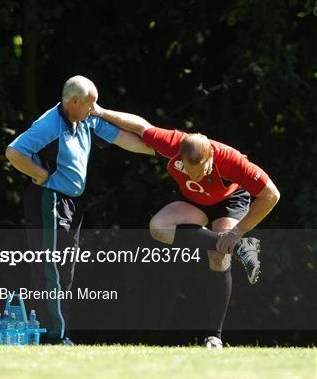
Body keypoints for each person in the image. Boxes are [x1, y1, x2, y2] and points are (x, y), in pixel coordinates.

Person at [91, 104, 280, 349]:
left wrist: (237, 232)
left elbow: (271, 195)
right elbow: (140, 126)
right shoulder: (173, 144)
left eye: (200, 172)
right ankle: (239, 248)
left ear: (211, 158)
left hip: (229, 202)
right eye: (189, 173)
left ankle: (214, 337)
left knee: (218, 258)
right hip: (194, 202)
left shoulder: (230, 160)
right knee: (158, 227)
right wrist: (100, 112)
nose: (195, 177)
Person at [6, 75, 154, 345]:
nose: (94, 109)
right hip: (48, 200)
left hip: (72, 203)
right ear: (73, 101)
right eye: (90, 104)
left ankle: (56, 332)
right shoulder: (48, 125)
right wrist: (39, 173)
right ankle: (54, 336)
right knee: (49, 268)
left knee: (67, 271)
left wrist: (162, 150)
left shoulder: (87, 118)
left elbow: (123, 138)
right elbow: (14, 152)